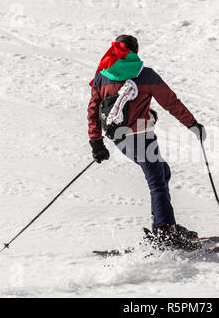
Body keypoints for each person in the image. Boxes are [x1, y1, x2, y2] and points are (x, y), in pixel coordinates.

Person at [87, 35, 206, 250]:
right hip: (142, 138)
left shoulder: (102, 76)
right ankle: (164, 231)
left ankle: (163, 223)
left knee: (163, 171)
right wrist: (193, 124)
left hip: (120, 140)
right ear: (135, 51)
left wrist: (96, 143)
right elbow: (171, 102)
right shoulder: (145, 75)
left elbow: (93, 110)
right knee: (157, 182)